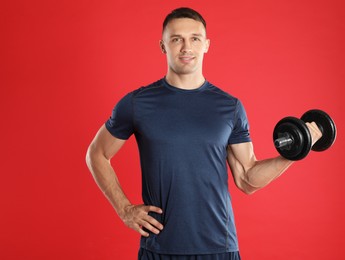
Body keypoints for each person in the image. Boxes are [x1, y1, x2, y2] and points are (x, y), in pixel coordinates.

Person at [85, 7, 322, 260]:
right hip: (160, 247)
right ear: (163, 46)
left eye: (195, 39)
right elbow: (96, 154)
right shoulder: (137, 103)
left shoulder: (230, 107)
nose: (186, 47)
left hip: (219, 246)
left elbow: (248, 179)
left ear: (206, 45)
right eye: (176, 39)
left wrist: (297, 150)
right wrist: (124, 209)